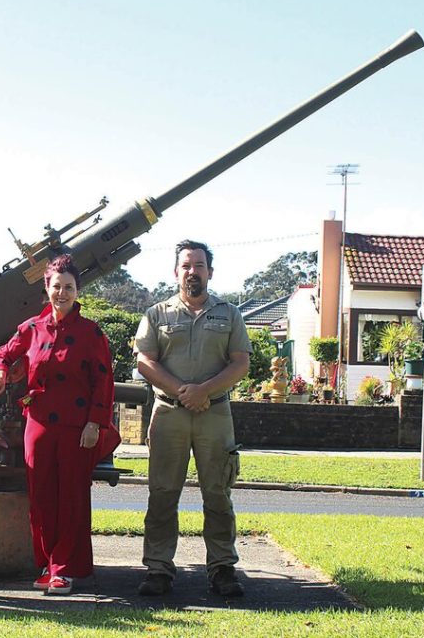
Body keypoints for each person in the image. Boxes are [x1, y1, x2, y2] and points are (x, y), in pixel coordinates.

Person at [0, 254, 120, 596]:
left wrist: (96, 422)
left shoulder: (91, 332)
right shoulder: (32, 327)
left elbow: (103, 382)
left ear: (78, 291)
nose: (62, 293)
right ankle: (47, 564)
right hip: (39, 424)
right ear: (46, 288)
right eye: (56, 286)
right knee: (42, 497)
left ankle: (64, 568)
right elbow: (4, 352)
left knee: (71, 498)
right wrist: (0, 371)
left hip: (78, 428)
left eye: (69, 287)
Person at [134, 240, 251, 598]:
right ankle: (158, 568)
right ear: (176, 272)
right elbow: (144, 361)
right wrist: (185, 390)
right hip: (169, 413)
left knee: (218, 492)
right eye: (186, 266)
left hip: (214, 414)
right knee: (163, 493)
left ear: (209, 272)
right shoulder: (157, 314)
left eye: (199, 265)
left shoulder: (229, 314)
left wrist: (204, 391)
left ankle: (221, 568)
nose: (192, 272)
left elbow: (240, 363)